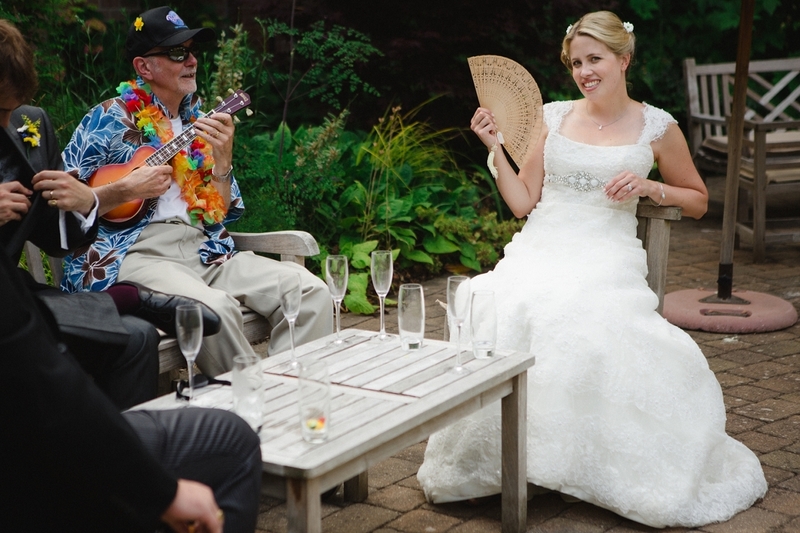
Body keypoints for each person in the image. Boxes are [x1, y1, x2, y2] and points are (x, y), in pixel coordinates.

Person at [417, 11, 767, 528]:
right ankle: (498, 464)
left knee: (585, 315)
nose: (584, 71)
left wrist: (651, 188)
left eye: (595, 59)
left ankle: (577, 462)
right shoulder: (553, 117)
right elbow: (522, 203)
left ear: (624, 59)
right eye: (577, 62)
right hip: (541, 248)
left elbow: (697, 199)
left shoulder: (657, 126)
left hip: (605, 255)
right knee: (499, 299)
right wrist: (494, 146)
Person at [60, 6, 333, 376]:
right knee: (214, 309)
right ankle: (253, 409)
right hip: (135, 253)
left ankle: (294, 394)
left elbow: (219, 213)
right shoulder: (108, 117)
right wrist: (124, 189)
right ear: (144, 67)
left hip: (205, 250)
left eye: (192, 51)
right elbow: (61, 192)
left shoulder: (201, 123)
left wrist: (223, 162)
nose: (191, 60)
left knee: (310, 292)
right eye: (177, 53)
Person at [0, 18, 219, 410]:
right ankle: (122, 298)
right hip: (25, 300)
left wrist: (86, 200)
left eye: (12, 109)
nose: (8, 124)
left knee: (138, 338)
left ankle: (124, 463)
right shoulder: (109, 115)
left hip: (12, 289)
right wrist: (121, 190)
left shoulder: (28, 123)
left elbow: (54, 236)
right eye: (0, 110)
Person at [0, 241, 261, 532]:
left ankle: (127, 300)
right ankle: (126, 299)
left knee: (137, 337)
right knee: (233, 436)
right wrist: (162, 493)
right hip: (26, 465)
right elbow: (43, 381)